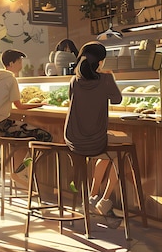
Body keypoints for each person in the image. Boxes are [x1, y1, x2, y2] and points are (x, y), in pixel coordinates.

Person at [63, 41, 124, 218]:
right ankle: (104, 200)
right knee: (121, 151)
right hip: (95, 140)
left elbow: (71, 98)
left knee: (106, 154)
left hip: (73, 139)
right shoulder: (105, 79)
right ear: (100, 62)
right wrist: (110, 76)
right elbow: (117, 99)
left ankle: (91, 197)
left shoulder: (74, 80)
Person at [0, 49, 52, 142]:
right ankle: (32, 157)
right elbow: (19, 106)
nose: (21, 65)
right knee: (45, 136)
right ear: (11, 64)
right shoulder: (11, 79)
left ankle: (19, 156)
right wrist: (41, 104)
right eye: (19, 62)